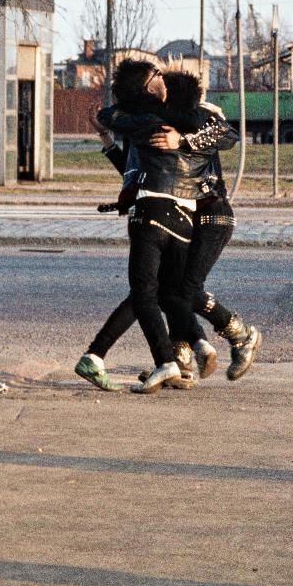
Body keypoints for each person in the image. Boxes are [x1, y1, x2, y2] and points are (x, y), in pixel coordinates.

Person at [75, 72, 261, 391]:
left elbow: (227, 135)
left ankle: (239, 336)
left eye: (160, 83)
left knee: (182, 291)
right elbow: (139, 171)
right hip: (183, 213)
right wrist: (107, 139)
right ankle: (183, 359)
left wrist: (183, 139)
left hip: (210, 213)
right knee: (168, 290)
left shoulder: (195, 118)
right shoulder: (156, 123)